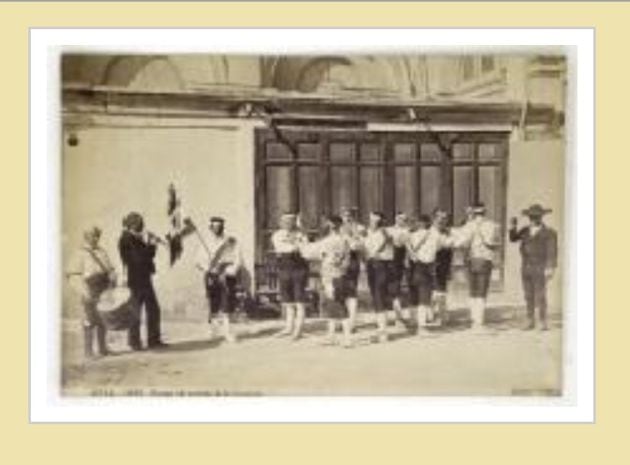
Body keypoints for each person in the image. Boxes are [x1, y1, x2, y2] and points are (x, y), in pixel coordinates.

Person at [118, 212, 166, 350]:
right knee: (136, 311)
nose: (142, 225)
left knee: (153, 309)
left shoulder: (134, 238)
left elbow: (145, 256)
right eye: (140, 223)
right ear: (132, 224)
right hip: (135, 279)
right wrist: (151, 245)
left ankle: (152, 340)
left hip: (143, 278)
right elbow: (139, 259)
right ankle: (135, 343)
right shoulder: (126, 238)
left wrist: (150, 245)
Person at [304, 215, 354, 348]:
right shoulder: (341, 240)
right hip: (333, 275)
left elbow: (311, 254)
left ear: (331, 226)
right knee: (331, 307)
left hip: (333, 276)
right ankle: (331, 336)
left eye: (327, 224)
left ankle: (348, 338)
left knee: (339, 306)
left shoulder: (333, 241)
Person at [67, 226, 116, 358]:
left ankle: (103, 348)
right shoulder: (79, 253)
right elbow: (73, 275)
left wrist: (113, 280)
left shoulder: (102, 252)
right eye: (92, 235)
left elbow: (110, 269)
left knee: (103, 318)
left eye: (97, 235)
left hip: (103, 288)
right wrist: (84, 291)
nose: (95, 238)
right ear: (86, 236)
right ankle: (88, 352)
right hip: (89, 288)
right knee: (88, 319)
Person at [509, 204, 558, 331]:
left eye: (536, 217)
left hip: (540, 266)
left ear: (541, 217)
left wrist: (550, 267)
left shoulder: (549, 233)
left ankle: (542, 320)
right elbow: (513, 239)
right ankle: (529, 320)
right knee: (528, 294)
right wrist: (512, 227)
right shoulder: (525, 230)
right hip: (526, 267)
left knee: (540, 294)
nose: (533, 219)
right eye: (531, 217)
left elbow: (552, 251)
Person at [452, 203, 499, 332]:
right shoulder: (492, 225)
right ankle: (479, 323)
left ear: (474, 212)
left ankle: (474, 321)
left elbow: (461, 243)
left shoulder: (469, 225)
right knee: (482, 292)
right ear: (485, 212)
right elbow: (494, 243)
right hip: (485, 259)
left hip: (471, 260)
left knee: (473, 291)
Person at [195, 216, 244, 342]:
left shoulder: (231, 241)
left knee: (227, 303)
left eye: (219, 227)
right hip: (211, 275)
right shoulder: (204, 242)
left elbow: (238, 259)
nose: (217, 229)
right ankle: (213, 331)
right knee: (212, 303)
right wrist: (208, 268)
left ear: (223, 227)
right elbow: (198, 261)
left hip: (226, 275)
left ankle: (227, 332)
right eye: (214, 227)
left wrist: (231, 271)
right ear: (210, 228)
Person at [406, 215, 452, 334]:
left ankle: (415, 322)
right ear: (429, 223)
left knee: (416, 296)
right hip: (427, 268)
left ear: (418, 223)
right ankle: (422, 327)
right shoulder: (434, 235)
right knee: (424, 298)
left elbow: (409, 252)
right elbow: (447, 244)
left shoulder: (411, 235)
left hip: (415, 267)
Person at [271, 212, 310, 340]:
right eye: (286, 221)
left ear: (295, 222)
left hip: (299, 268)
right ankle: (288, 327)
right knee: (287, 300)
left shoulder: (302, 234)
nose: (288, 223)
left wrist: (298, 243)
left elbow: (306, 249)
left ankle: (298, 329)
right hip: (284, 268)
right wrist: (295, 246)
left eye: (292, 221)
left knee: (299, 300)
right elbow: (281, 248)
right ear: (281, 222)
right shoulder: (277, 235)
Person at [364, 211, 394, 343]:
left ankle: (383, 333)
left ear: (380, 221)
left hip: (381, 266)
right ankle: (381, 330)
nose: (371, 222)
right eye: (370, 220)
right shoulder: (368, 232)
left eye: (374, 220)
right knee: (376, 297)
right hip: (371, 265)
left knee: (379, 296)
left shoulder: (385, 233)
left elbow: (387, 252)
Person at [340, 207, 365, 331]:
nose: (347, 218)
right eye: (344, 215)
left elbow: (360, 246)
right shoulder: (338, 229)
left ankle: (352, 322)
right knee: (341, 292)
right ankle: (344, 321)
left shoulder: (359, 229)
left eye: (349, 215)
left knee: (351, 291)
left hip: (352, 262)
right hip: (338, 263)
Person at [387, 212, 412, 327]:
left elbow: (408, 248)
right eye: (400, 218)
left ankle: (401, 317)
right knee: (393, 290)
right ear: (396, 219)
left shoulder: (408, 231)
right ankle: (396, 317)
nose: (402, 221)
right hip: (390, 264)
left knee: (404, 290)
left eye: (404, 219)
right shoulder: (389, 230)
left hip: (404, 263)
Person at [432, 209, 454, 326]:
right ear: (434, 219)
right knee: (434, 290)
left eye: (444, 218)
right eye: (439, 218)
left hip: (444, 264)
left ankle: (440, 314)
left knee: (441, 289)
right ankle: (436, 314)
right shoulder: (430, 232)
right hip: (431, 264)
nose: (442, 220)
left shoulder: (447, 232)